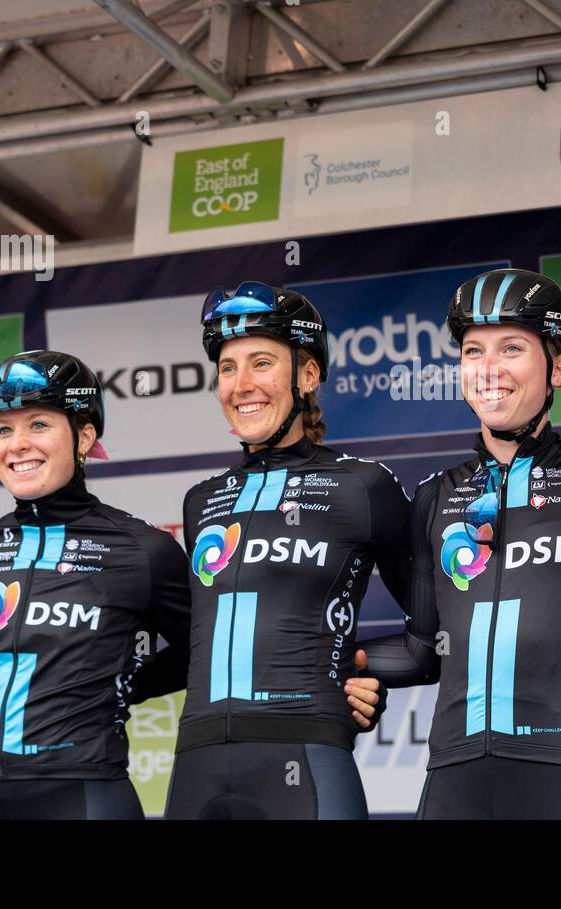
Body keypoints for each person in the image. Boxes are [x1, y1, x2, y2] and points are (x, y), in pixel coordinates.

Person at [353, 268, 561, 819]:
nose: (489, 369)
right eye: (474, 351)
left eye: (512, 348)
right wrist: (331, 665)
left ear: (558, 368)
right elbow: (423, 651)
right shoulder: (434, 497)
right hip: (452, 778)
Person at [163, 281, 411, 820]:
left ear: (308, 375)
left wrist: (365, 672)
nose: (240, 384)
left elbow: (443, 627)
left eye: (261, 363)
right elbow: (192, 641)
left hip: (306, 757)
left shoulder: (362, 486)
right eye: (228, 368)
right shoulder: (201, 500)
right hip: (196, 767)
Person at [0, 350, 191, 820]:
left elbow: (202, 648)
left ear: (84, 436)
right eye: (4, 429)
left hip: (84, 795)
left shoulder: (143, 549)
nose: (17, 444)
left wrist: (126, 685)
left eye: (38, 424)